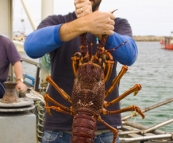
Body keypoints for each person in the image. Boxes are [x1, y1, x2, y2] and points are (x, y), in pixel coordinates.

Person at [24, 0, 138, 143]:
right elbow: (31, 47)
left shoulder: (116, 24)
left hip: (103, 132)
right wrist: (83, 24)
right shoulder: (56, 21)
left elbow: (130, 55)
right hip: (58, 132)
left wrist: (101, 30)